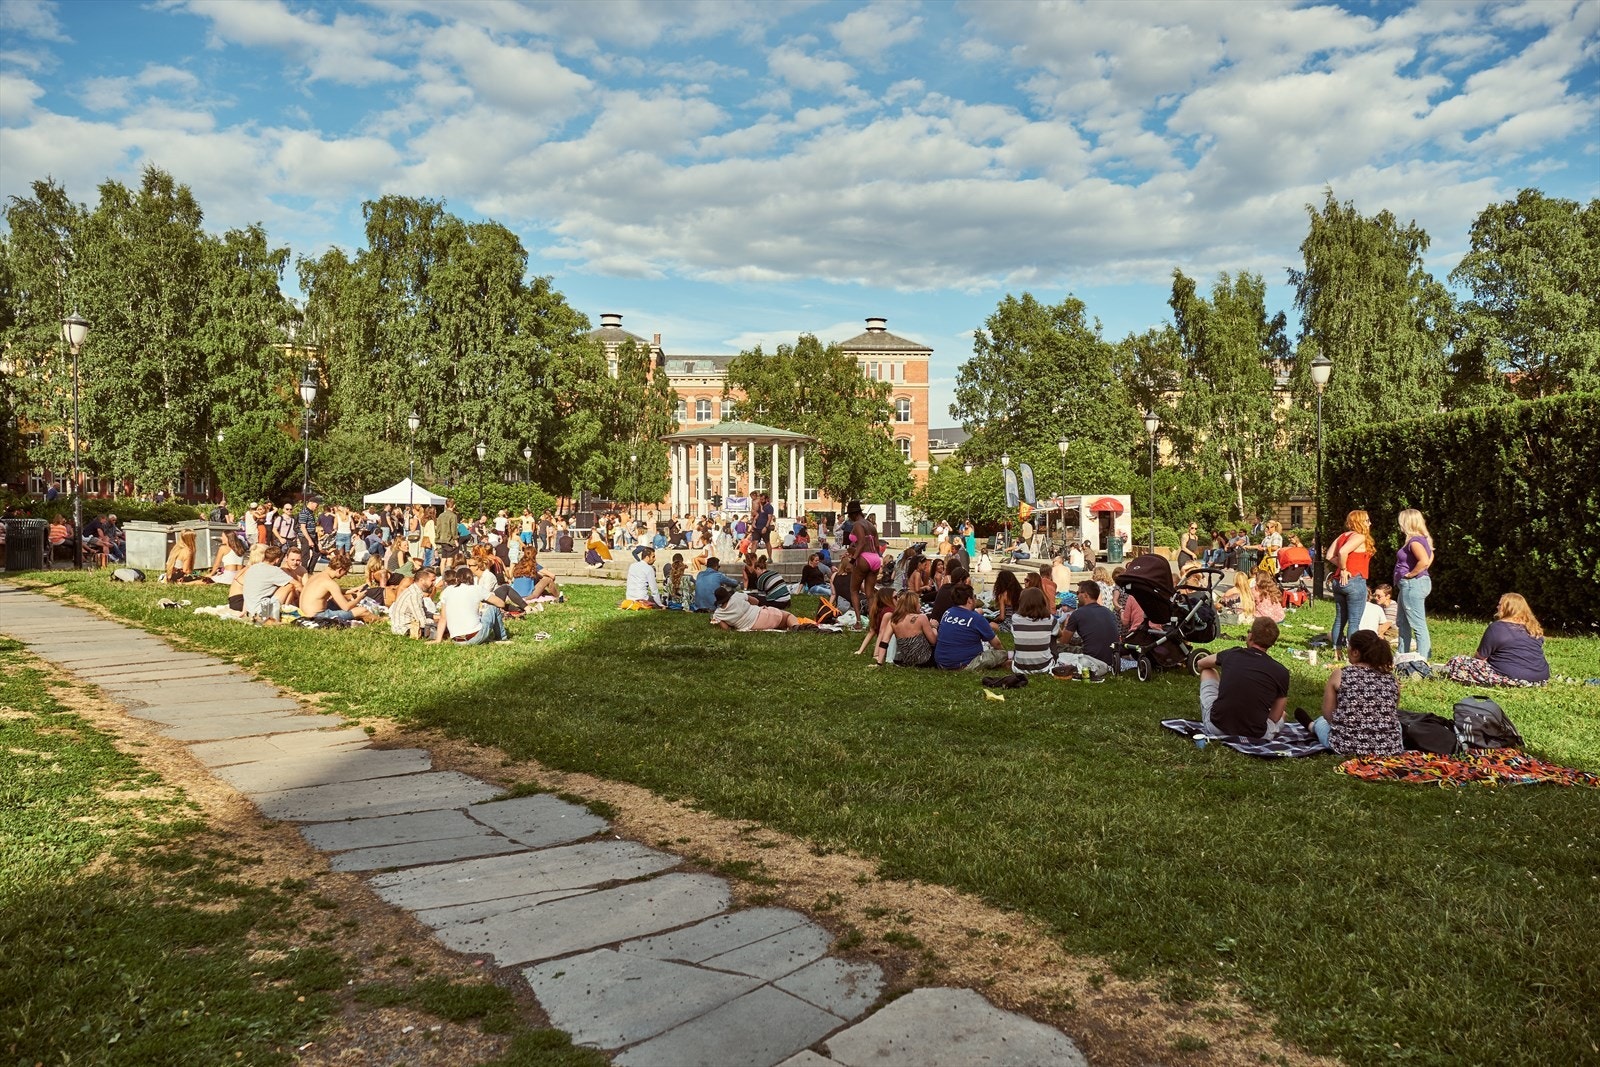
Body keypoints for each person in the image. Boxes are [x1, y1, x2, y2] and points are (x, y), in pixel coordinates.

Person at [1299, 630, 1402, 755]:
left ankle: (1312, 726)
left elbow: (1328, 714)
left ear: (1355, 652)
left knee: (1321, 722)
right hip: (1389, 748)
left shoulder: (1340, 674)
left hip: (1346, 745)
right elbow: (1391, 712)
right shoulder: (1391, 679)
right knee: (1397, 725)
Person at [1194, 617, 1290, 739]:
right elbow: (1275, 717)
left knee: (1208, 670)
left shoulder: (1232, 654)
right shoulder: (1281, 672)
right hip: (1256, 735)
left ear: (1251, 636)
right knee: (1283, 714)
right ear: (1272, 643)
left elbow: (1201, 663)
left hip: (1217, 727)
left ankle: (1224, 707)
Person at [1443, 593, 1550, 686]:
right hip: (1540, 678)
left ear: (1508, 608)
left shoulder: (1497, 627)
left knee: (1458, 661)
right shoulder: (1534, 628)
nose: (1497, 607)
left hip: (1512, 677)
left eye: (1500, 604)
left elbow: (1480, 657)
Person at [1326, 510, 1371, 656]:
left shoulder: (1343, 536)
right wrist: (1345, 568)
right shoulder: (1360, 537)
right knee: (1354, 621)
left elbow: (1329, 555)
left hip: (1338, 582)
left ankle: (1337, 651)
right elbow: (1344, 551)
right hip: (1355, 580)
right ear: (1359, 522)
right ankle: (1354, 654)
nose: (1370, 523)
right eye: (1367, 520)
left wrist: (1340, 567)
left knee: (1340, 618)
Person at [934, 584, 1009, 671]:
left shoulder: (947, 612)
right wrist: (1002, 653)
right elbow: (997, 644)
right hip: (964, 664)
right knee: (1002, 654)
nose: (975, 599)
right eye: (974, 597)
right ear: (969, 600)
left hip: (941, 662)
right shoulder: (976, 618)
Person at [1394, 508, 1435, 661]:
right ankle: (1402, 655)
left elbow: (1424, 560)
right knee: (1403, 622)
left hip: (1413, 585)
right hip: (1409, 586)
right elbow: (1430, 556)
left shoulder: (1415, 541)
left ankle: (1422, 658)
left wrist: (1411, 574)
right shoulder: (1422, 540)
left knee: (1417, 623)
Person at [434, 565, 509, 644]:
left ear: (456, 579)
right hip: (475, 637)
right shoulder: (476, 589)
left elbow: (443, 618)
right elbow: (501, 604)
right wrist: (485, 601)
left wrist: (438, 639)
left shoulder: (447, 590)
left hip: (457, 640)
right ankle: (501, 637)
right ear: (472, 578)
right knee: (493, 607)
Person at [301, 551, 375, 623]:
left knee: (339, 601)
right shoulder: (330, 583)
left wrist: (351, 590)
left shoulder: (315, 576)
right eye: (345, 572)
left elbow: (324, 590)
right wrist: (359, 598)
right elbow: (346, 607)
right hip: (316, 616)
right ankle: (383, 620)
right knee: (362, 611)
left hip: (304, 613)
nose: (345, 575)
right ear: (340, 570)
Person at [1061, 580, 1119, 672]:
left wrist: (1065, 626)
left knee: (1057, 648)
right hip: (1111, 658)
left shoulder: (1077, 614)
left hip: (1091, 659)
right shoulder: (1108, 612)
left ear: (1085, 595)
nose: (1077, 596)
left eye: (1078, 593)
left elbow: (1064, 641)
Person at [873, 591, 939, 667]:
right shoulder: (921, 618)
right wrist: (934, 627)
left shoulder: (893, 620)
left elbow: (884, 642)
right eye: (918, 603)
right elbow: (933, 641)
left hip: (907, 661)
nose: (920, 606)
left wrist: (879, 663)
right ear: (913, 604)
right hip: (926, 661)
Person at [239, 545, 300, 619]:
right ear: (277, 560)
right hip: (263, 612)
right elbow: (297, 584)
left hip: (249, 609)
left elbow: (247, 589)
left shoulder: (252, 568)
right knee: (289, 586)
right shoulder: (274, 571)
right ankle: (284, 611)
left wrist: (244, 610)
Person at [1009, 587, 1059, 674]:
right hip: (1045, 667)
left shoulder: (1015, 618)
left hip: (1019, 668)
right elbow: (1059, 634)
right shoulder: (1051, 620)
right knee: (1053, 636)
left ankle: (1023, 658)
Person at [710, 584, 797, 631]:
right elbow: (756, 601)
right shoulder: (737, 596)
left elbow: (726, 628)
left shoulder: (718, 614)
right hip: (760, 614)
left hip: (750, 627)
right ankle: (796, 627)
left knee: (781, 623)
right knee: (787, 616)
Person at [389, 567, 438, 638]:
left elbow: (423, 612)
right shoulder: (414, 595)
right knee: (440, 628)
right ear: (422, 580)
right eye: (432, 580)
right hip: (405, 629)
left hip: (407, 625)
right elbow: (422, 622)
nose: (434, 583)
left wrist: (441, 617)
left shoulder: (414, 590)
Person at [296, 495, 324, 573]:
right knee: (305, 556)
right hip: (305, 537)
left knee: (317, 553)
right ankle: (303, 572)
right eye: (316, 504)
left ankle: (310, 570)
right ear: (311, 503)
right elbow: (303, 527)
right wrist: (309, 540)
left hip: (312, 536)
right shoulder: (304, 512)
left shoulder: (310, 513)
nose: (317, 506)